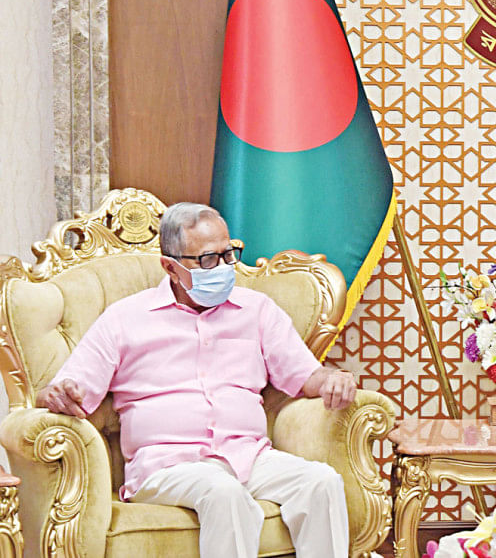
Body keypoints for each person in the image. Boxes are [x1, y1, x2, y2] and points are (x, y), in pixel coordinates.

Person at [35, 202, 359, 558]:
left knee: (322, 483)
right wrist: (55, 395)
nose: (222, 268)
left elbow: (307, 375)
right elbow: (66, 390)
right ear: (170, 267)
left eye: (228, 254)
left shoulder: (257, 310)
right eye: (207, 260)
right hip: (166, 465)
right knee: (224, 493)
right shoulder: (124, 319)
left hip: (247, 456)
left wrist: (333, 379)